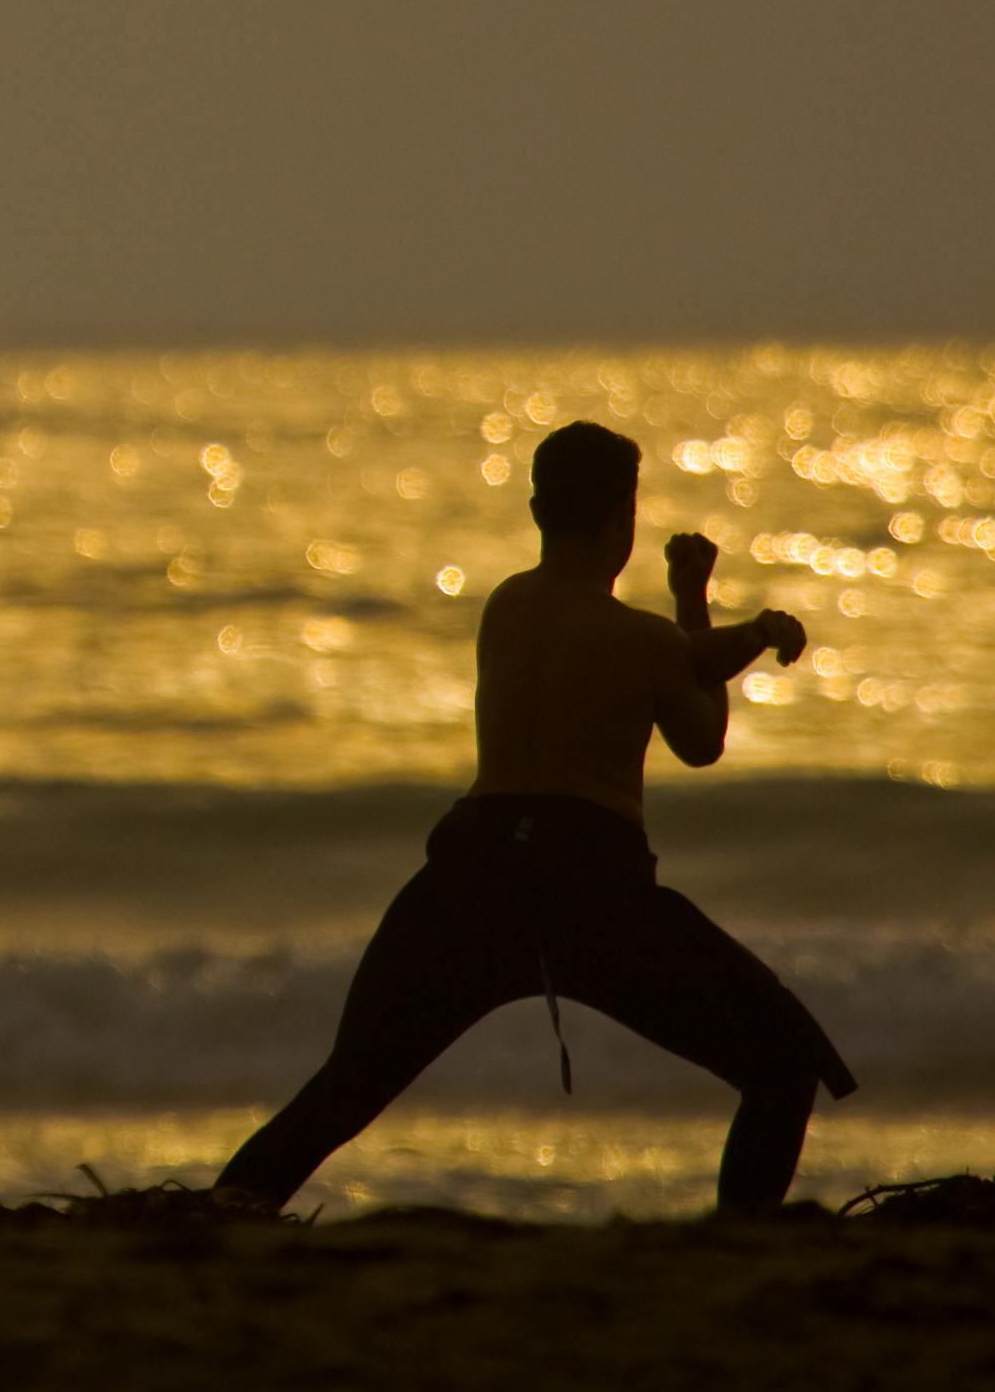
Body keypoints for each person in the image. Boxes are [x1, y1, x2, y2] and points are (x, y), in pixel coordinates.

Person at [216, 421, 856, 1214]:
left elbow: (689, 696)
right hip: (592, 892)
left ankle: (218, 1217)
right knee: (782, 1061)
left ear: (535, 508)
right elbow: (700, 721)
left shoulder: (506, 607)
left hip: (470, 880)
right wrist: (746, 625)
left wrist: (697, 612)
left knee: (345, 1089)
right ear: (622, 520)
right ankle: (736, 1249)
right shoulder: (640, 639)